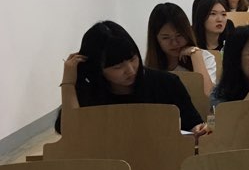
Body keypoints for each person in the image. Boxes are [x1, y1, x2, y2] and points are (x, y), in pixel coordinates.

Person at [57, 21, 206, 135]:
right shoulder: (90, 93)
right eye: (117, 67)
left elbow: (193, 123)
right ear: (97, 70)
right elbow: (70, 132)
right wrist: (68, 83)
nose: (130, 70)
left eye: (133, 59)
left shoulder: (167, 83)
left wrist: (199, 129)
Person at [145, 3, 217, 96]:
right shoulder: (147, 66)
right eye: (166, 38)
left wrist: (195, 54)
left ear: (187, 33)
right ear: (155, 40)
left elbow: (208, 96)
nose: (174, 43)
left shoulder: (204, 57)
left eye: (179, 35)